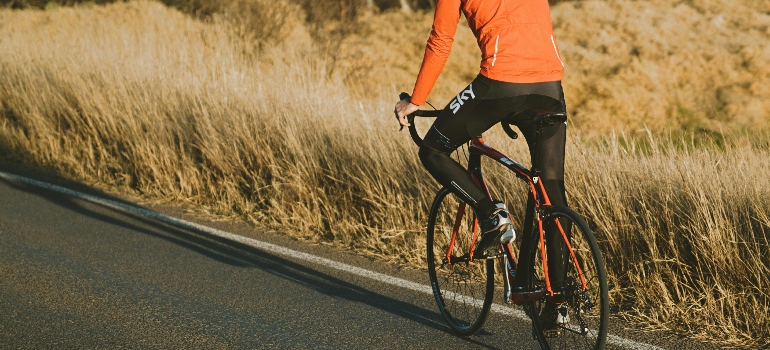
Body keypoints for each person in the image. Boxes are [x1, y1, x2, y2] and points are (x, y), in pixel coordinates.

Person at [393, 0, 570, 336]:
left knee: (432, 151)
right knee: (551, 186)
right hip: (550, 84)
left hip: (499, 84)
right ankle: (558, 300)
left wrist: (415, 100)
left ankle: (491, 214)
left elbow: (441, 39)